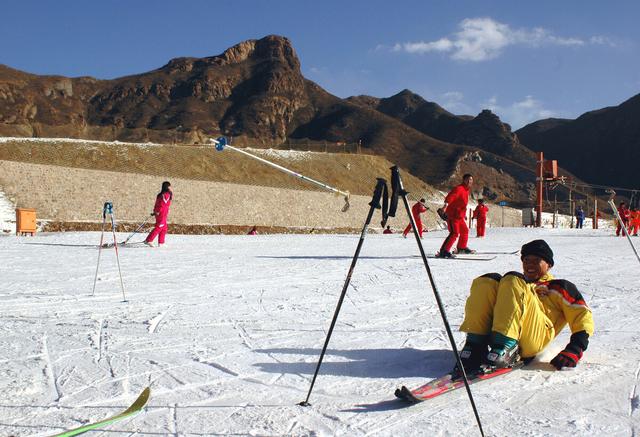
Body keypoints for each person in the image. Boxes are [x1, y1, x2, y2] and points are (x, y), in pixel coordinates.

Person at [454, 239, 594, 374]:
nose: (530, 265)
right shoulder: (517, 285)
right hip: (500, 332)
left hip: (535, 337)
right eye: (526, 260)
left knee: (513, 279)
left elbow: (582, 314)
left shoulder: (559, 287)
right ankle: (475, 344)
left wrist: (575, 348)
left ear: (549, 264)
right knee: (488, 281)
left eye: (536, 260)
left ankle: (506, 345)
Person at [437, 174, 473, 258]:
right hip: (453, 216)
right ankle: (444, 251)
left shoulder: (466, 190)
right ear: (463, 180)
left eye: (471, 180)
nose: (469, 181)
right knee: (454, 233)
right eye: (467, 180)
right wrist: (445, 206)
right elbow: (451, 196)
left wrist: (464, 215)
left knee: (465, 231)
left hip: (459, 216)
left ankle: (461, 248)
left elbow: (461, 204)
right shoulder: (459, 188)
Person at [145, 181, 173, 247]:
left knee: (164, 228)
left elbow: (157, 204)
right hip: (161, 213)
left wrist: (155, 211)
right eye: (170, 186)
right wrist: (158, 211)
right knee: (159, 226)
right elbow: (162, 205)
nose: (171, 187)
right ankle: (149, 240)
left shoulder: (161, 194)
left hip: (160, 213)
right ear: (167, 187)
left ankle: (161, 242)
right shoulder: (166, 195)